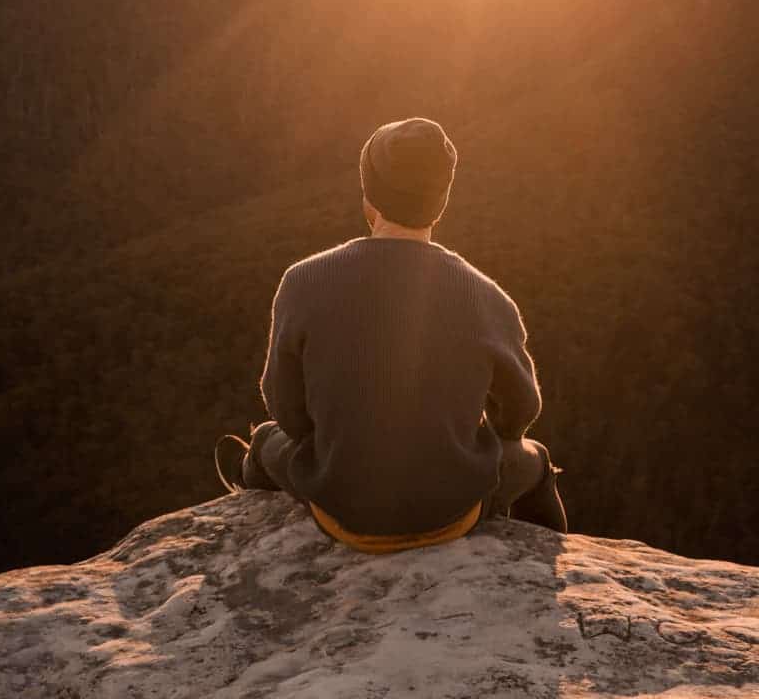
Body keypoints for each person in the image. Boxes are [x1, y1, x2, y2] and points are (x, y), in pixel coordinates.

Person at [215, 117, 567, 553]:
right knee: (537, 460)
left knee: (269, 436)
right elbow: (519, 414)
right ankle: (549, 565)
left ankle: (249, 478)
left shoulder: (302, 280)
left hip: (338, 509)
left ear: (369, 196)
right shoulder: (487, 297)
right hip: (454, 513)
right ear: (441, 200)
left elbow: (288, 412)